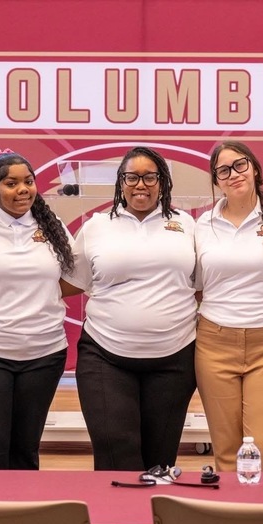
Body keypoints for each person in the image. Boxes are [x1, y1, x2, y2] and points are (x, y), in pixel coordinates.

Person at [63, 146, 197, 471]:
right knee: (116, 459)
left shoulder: (187, 225)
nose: (141, 184)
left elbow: (205, 286)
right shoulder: (96, 227)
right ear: (120, 182)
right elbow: (71, 283)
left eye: (150, 177)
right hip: (105, 358)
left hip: (174, 360)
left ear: (162, 182)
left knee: (160, 463)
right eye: (132, 177)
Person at [0, 149, 75, 470]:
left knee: (25, 450)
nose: (23, 190)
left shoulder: (51, 225)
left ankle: (23, 505)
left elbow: (77, 276)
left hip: (45, 355)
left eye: (28, 182)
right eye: (11, 183)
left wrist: (39, 295)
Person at [194, 140, 263, 472]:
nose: (234, 174)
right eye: (223, 170)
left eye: (240, 165)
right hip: (214, 343)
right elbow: (197, 287)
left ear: (254, 168)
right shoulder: (203, 225)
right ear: (216, 180)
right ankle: (231, 505)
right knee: (226, 449)